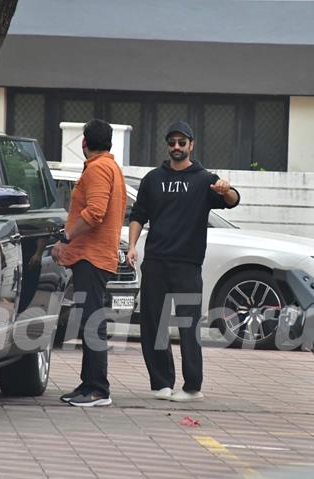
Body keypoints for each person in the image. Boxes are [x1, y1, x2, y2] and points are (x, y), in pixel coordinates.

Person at [127, 121, 240, 402]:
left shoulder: (204, 179)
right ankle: (161, 383)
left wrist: (226, 189)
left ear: (191, 145)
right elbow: (138, 216)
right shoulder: (152, 179)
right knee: (153, 323)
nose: (176, 147)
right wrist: (131, 247)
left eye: (181, 142)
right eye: (172, 142)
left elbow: (233, 200)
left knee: (187, 324)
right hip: (155, 261)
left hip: (187, 263)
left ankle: (192, 387)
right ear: (167, 145)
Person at [51, 119, 127, 407]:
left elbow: (95, 212)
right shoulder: (111, 167)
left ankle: (98, 389)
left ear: (84, 142)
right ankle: (88, 384)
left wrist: (66, 236)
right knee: (87, 321)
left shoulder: (98, 168)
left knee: (92, 322)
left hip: (91, 257)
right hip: (94, 256)